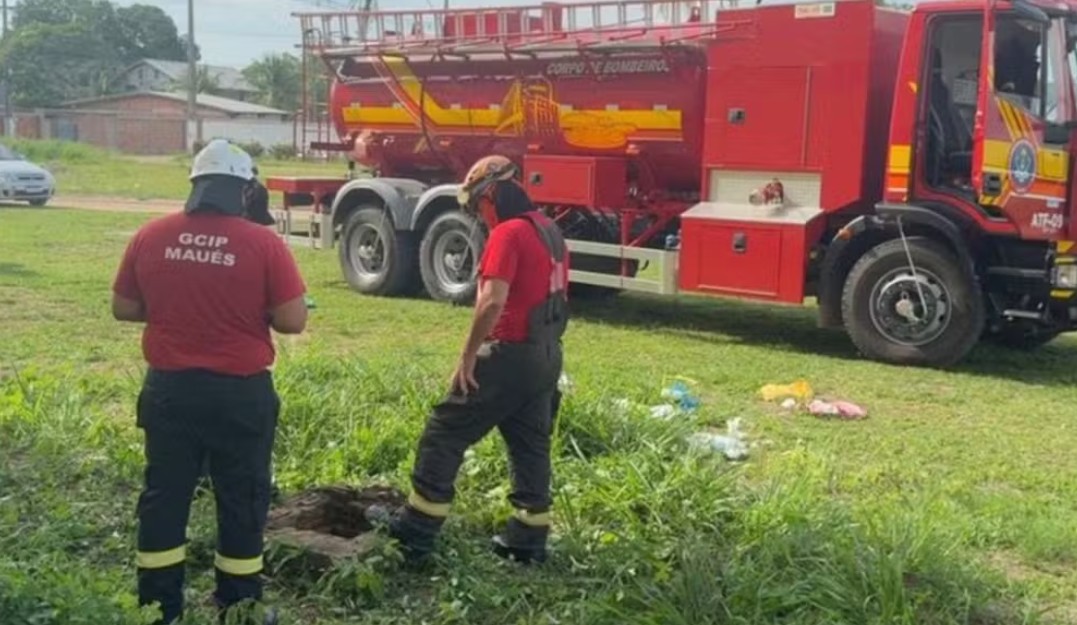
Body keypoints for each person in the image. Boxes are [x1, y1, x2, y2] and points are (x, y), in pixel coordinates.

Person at [111, 139, 308, 625]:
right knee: (241, 497)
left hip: (169, 392)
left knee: (165, 496)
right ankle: (237, 606)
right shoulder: (263, 244)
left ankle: (158, 608)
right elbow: (292, 320)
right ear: (244, 191)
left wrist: (178, 311)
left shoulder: (151, 235)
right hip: (239, 396)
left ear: (196, 185)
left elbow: (124, 307)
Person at [387, 154, 569, 565]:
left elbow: (491, 301)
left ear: (490, 195)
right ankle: (528, 539)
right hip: (546, 355)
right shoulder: (550, 230)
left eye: (476, 206)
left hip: (509, 354)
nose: (478, 215)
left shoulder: (507, 233)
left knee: (444, 432)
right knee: (529, 446)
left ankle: (416, 531)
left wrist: (467, 356)